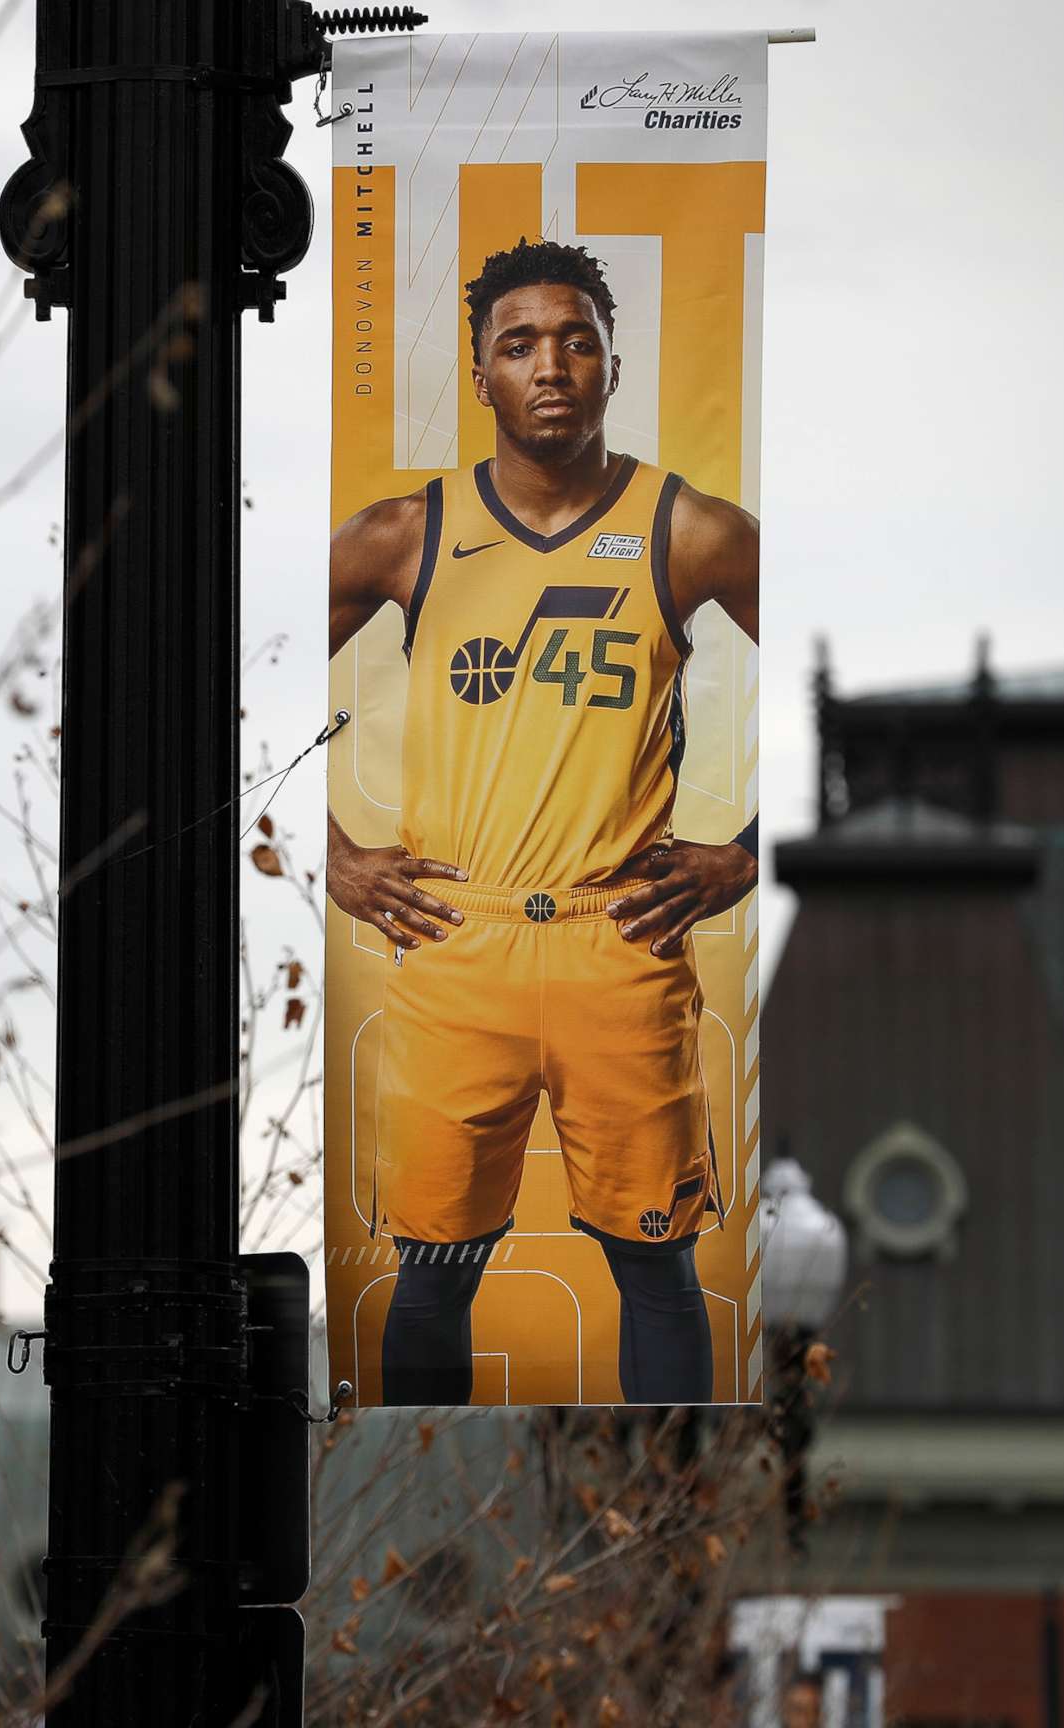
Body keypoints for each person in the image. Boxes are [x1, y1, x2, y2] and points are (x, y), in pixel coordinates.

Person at [325, 237, 759, 1406]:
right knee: (434, 1273)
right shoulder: (404, 535)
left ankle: (669, 1552)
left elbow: (838, 670)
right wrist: (334, 861)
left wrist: (746, 854)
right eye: (518, 345)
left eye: (577, 340)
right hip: (456, 939)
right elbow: (239, 671)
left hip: (616, 937)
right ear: (481, 376)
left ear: (614, 366)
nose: (551, 365)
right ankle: (428, 1542)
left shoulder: (692, 529)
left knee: (654, 1269)